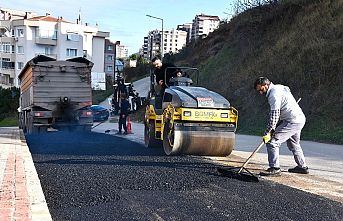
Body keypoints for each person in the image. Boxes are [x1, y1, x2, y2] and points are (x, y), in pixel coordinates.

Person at [254, 77, 309, 176]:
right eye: (259, 91)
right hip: (299, 118)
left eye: (261, 89)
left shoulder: (273, 95)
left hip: (292, 121)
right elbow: (288, 89)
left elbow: (274, 116)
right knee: (294, 144)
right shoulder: (280, 87)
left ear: (266, 85)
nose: (261, 93)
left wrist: (268, 132)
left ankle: (275, 168)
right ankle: (302, 167)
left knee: (272, 142)